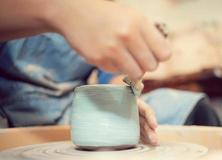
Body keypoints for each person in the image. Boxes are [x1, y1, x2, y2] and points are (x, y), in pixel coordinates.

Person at [0, 0, 172, 146]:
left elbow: (113, 76)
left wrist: (122, 99)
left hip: (73, 112)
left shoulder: (108, 7)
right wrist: (62, 10)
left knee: (169, 104)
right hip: (9, 114)